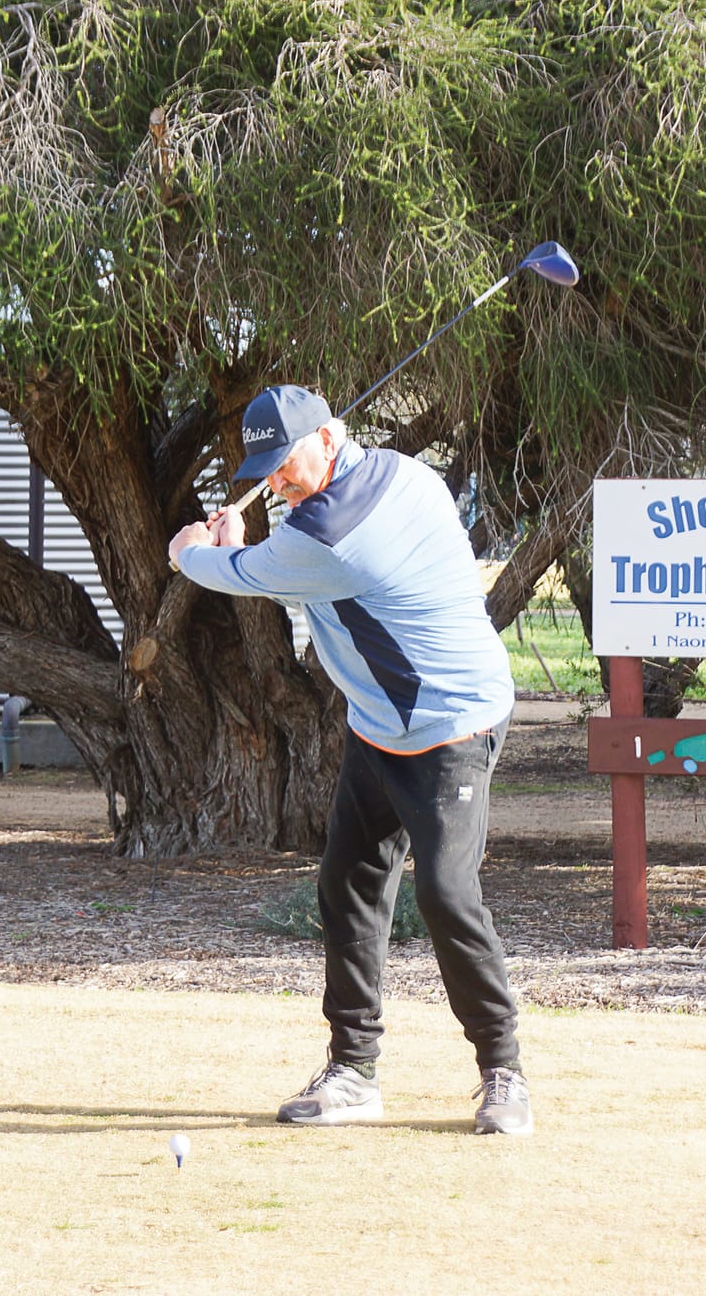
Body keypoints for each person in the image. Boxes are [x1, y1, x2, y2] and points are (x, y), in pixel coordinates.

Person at [168, 384, 531, 1136]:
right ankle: (354, 1073)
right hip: (382, 724)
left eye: (288, 462)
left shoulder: (331, 536)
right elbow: (279, 544)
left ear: (330, 439)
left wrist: (193, 550)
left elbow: (226, 575)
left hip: (451, 727)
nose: (278, 480)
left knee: (447, 897)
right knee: (347, 883)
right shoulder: (402, 471)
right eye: (266, 468)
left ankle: (505, 1074)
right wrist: (258, 532)